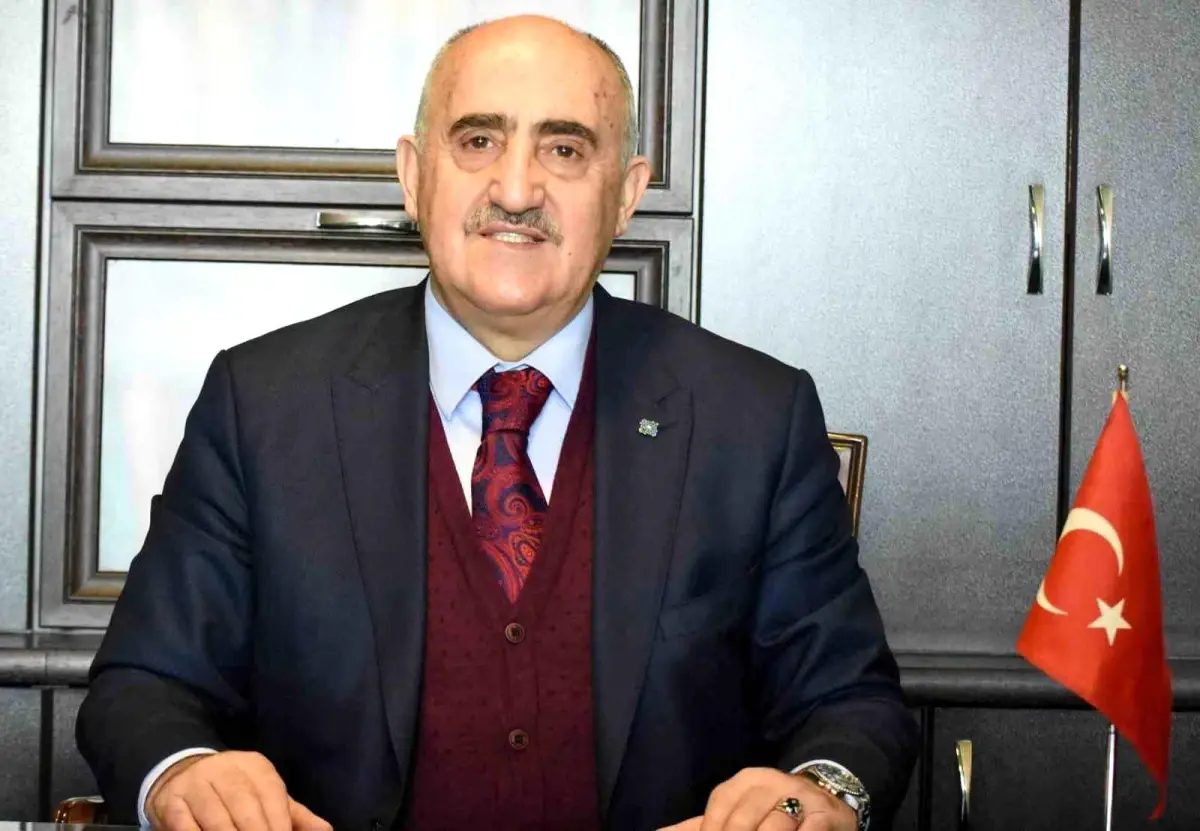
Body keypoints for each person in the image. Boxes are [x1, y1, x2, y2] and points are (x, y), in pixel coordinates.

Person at [77, 15, 916, 831]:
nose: (516, 191)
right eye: (478, 140)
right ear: (413, 177)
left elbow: (850, 703)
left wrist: (816, 793)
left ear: (626, 195)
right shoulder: (262, 404)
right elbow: (144, 685)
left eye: (564, 149)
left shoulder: (754, 418)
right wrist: (185, 770)